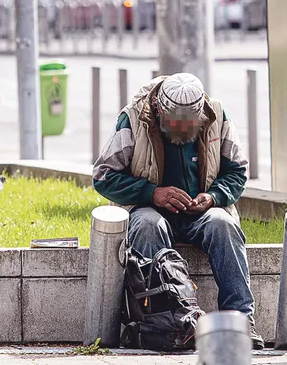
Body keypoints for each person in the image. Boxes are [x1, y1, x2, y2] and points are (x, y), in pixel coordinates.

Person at [93, 73, 263, 348]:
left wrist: (213, 196)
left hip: (200, 213)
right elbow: (103, 176)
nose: (183, 129)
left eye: (190, 123)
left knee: (224, 225)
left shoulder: (217, 115)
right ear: (160, 109)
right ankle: (167, 322)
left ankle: (240, 320)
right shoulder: (133, 117)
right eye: (175, 123)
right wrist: (152, 193)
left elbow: (237, 171)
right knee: (149, 226)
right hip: (147, 209)